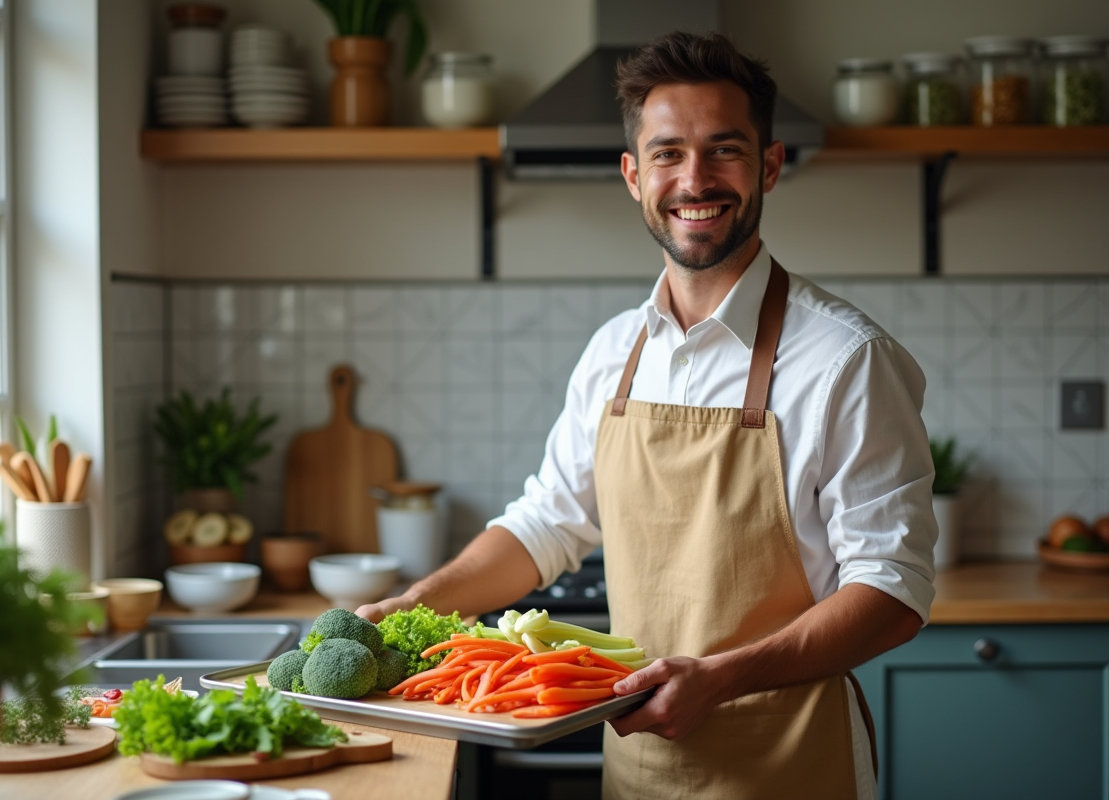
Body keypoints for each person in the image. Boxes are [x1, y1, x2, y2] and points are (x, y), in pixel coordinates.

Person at [358, 30, 936, 800]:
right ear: (634, 175)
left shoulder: (846, 359)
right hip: (639, 772)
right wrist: (410, 605)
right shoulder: (613, 352)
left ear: (769, 163)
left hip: (792, 765)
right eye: (667, 153)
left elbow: (892, 592)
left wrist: (718, 679)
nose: (695, 179)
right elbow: (548, 525)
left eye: (724, 149)